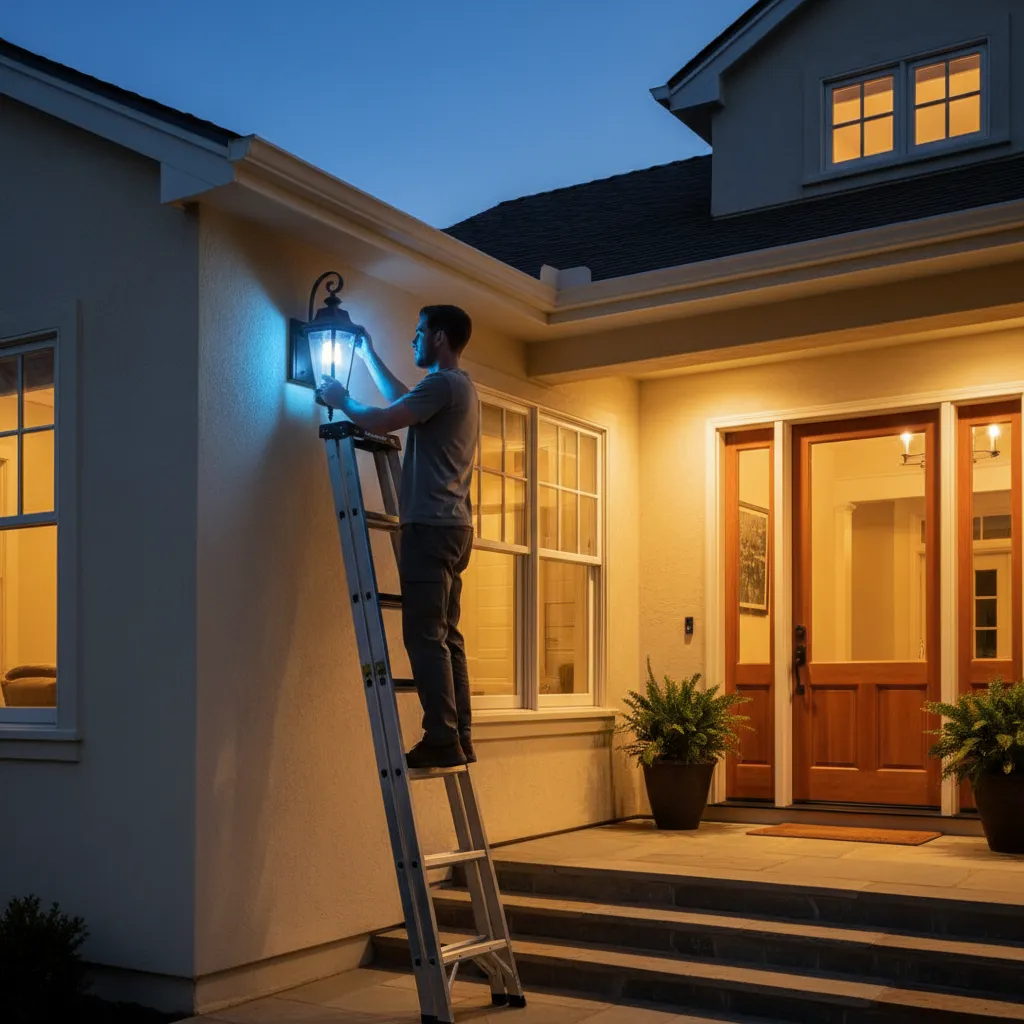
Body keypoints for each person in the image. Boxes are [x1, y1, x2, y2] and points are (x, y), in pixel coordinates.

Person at [316, 305, 479, 770]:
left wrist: (342, 399)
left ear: (441, 338)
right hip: (453, 527)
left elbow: (386, 419)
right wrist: (366, 354)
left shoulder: (444, 383)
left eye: (419, 331)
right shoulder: (456, 387)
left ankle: (442, 739)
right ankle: (459, 737)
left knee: (425, 636)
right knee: (447, 637)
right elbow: (404, 403)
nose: (413, 339)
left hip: (429, 527)